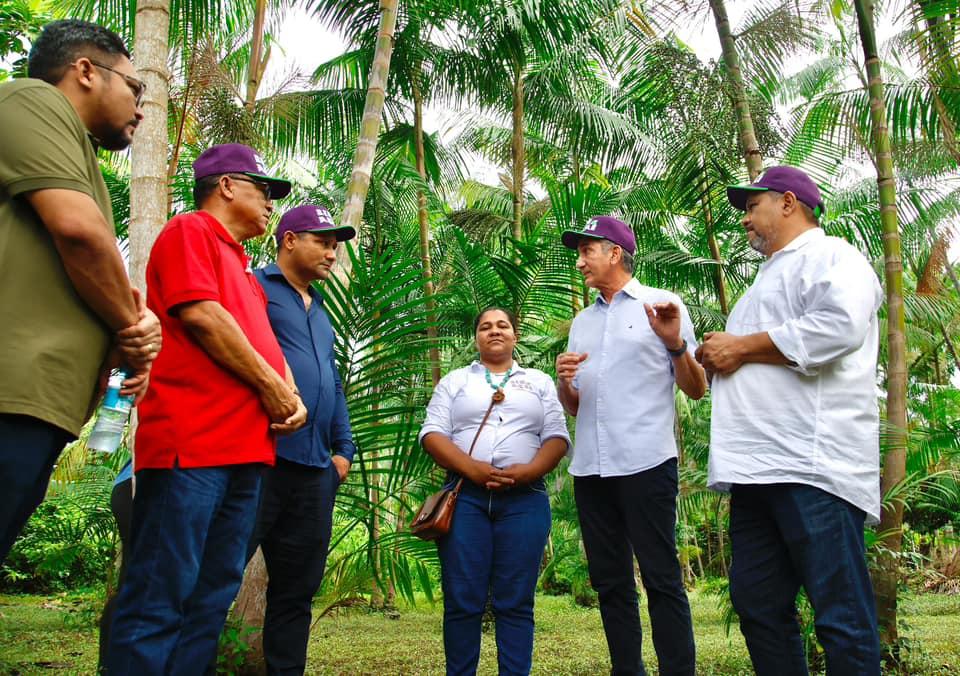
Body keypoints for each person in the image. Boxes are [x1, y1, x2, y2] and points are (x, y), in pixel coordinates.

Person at [106, 143, 308, 674]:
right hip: (191, 451)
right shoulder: (190, 232)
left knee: (211, 599)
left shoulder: (245, 270)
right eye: (263, 189)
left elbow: (263, 342)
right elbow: (201, 316)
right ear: (226, 186)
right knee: (159, 594)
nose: (270, 203)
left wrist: (290, 394)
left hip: (247, 454)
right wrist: (273, 388)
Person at [696, 165, 882, 674]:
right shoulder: (763, 282)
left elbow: (838, 326)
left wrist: (741, 346)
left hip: (812, 466)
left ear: (786, 202)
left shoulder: (833, 256)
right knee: (757, 604)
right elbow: (748, 361)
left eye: (751, 207)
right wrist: (716, 353)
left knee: (840, 614)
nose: (745, 220)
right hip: (754, 469)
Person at [0, 19, 160, 565]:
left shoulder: (78, 153)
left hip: (38, 402)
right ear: (86, 71)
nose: (141, 109)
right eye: (135, 89)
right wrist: (133, 327)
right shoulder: (33, 100)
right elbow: (81, 233)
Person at [556, 216, 706, 676]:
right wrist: (563, 383)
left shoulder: (662, 305)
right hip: (591, 470)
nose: (580, 261)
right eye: (578, 253)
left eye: (588, 252)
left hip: (645, 462)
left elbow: (697, 387)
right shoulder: (581, 322)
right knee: (611, 584)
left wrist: (675, 344)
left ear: (615, 253)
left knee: (662, 580)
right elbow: (577, 407)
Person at [419, 307, 570, 676]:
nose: (494, 331)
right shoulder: (456, 381)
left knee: (515, 602)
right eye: (485, 327)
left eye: (502, 325)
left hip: (525, 500)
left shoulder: (539, 382)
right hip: (464, 499)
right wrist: (471, 469)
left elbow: (556, 436)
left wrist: (528, 471)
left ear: (515, 335)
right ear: (477, 338)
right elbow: (432, 433)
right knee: (462, 601)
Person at [246, 204, 357, 675]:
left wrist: (343, 450)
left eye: (335, 246)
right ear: (290, 240)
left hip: (315, 472)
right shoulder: (255, 288)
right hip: (260, 461)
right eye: (323, 242)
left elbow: (331, 381)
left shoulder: (320, 307)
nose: (332, 254)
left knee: (296, 591)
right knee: (215, 576)